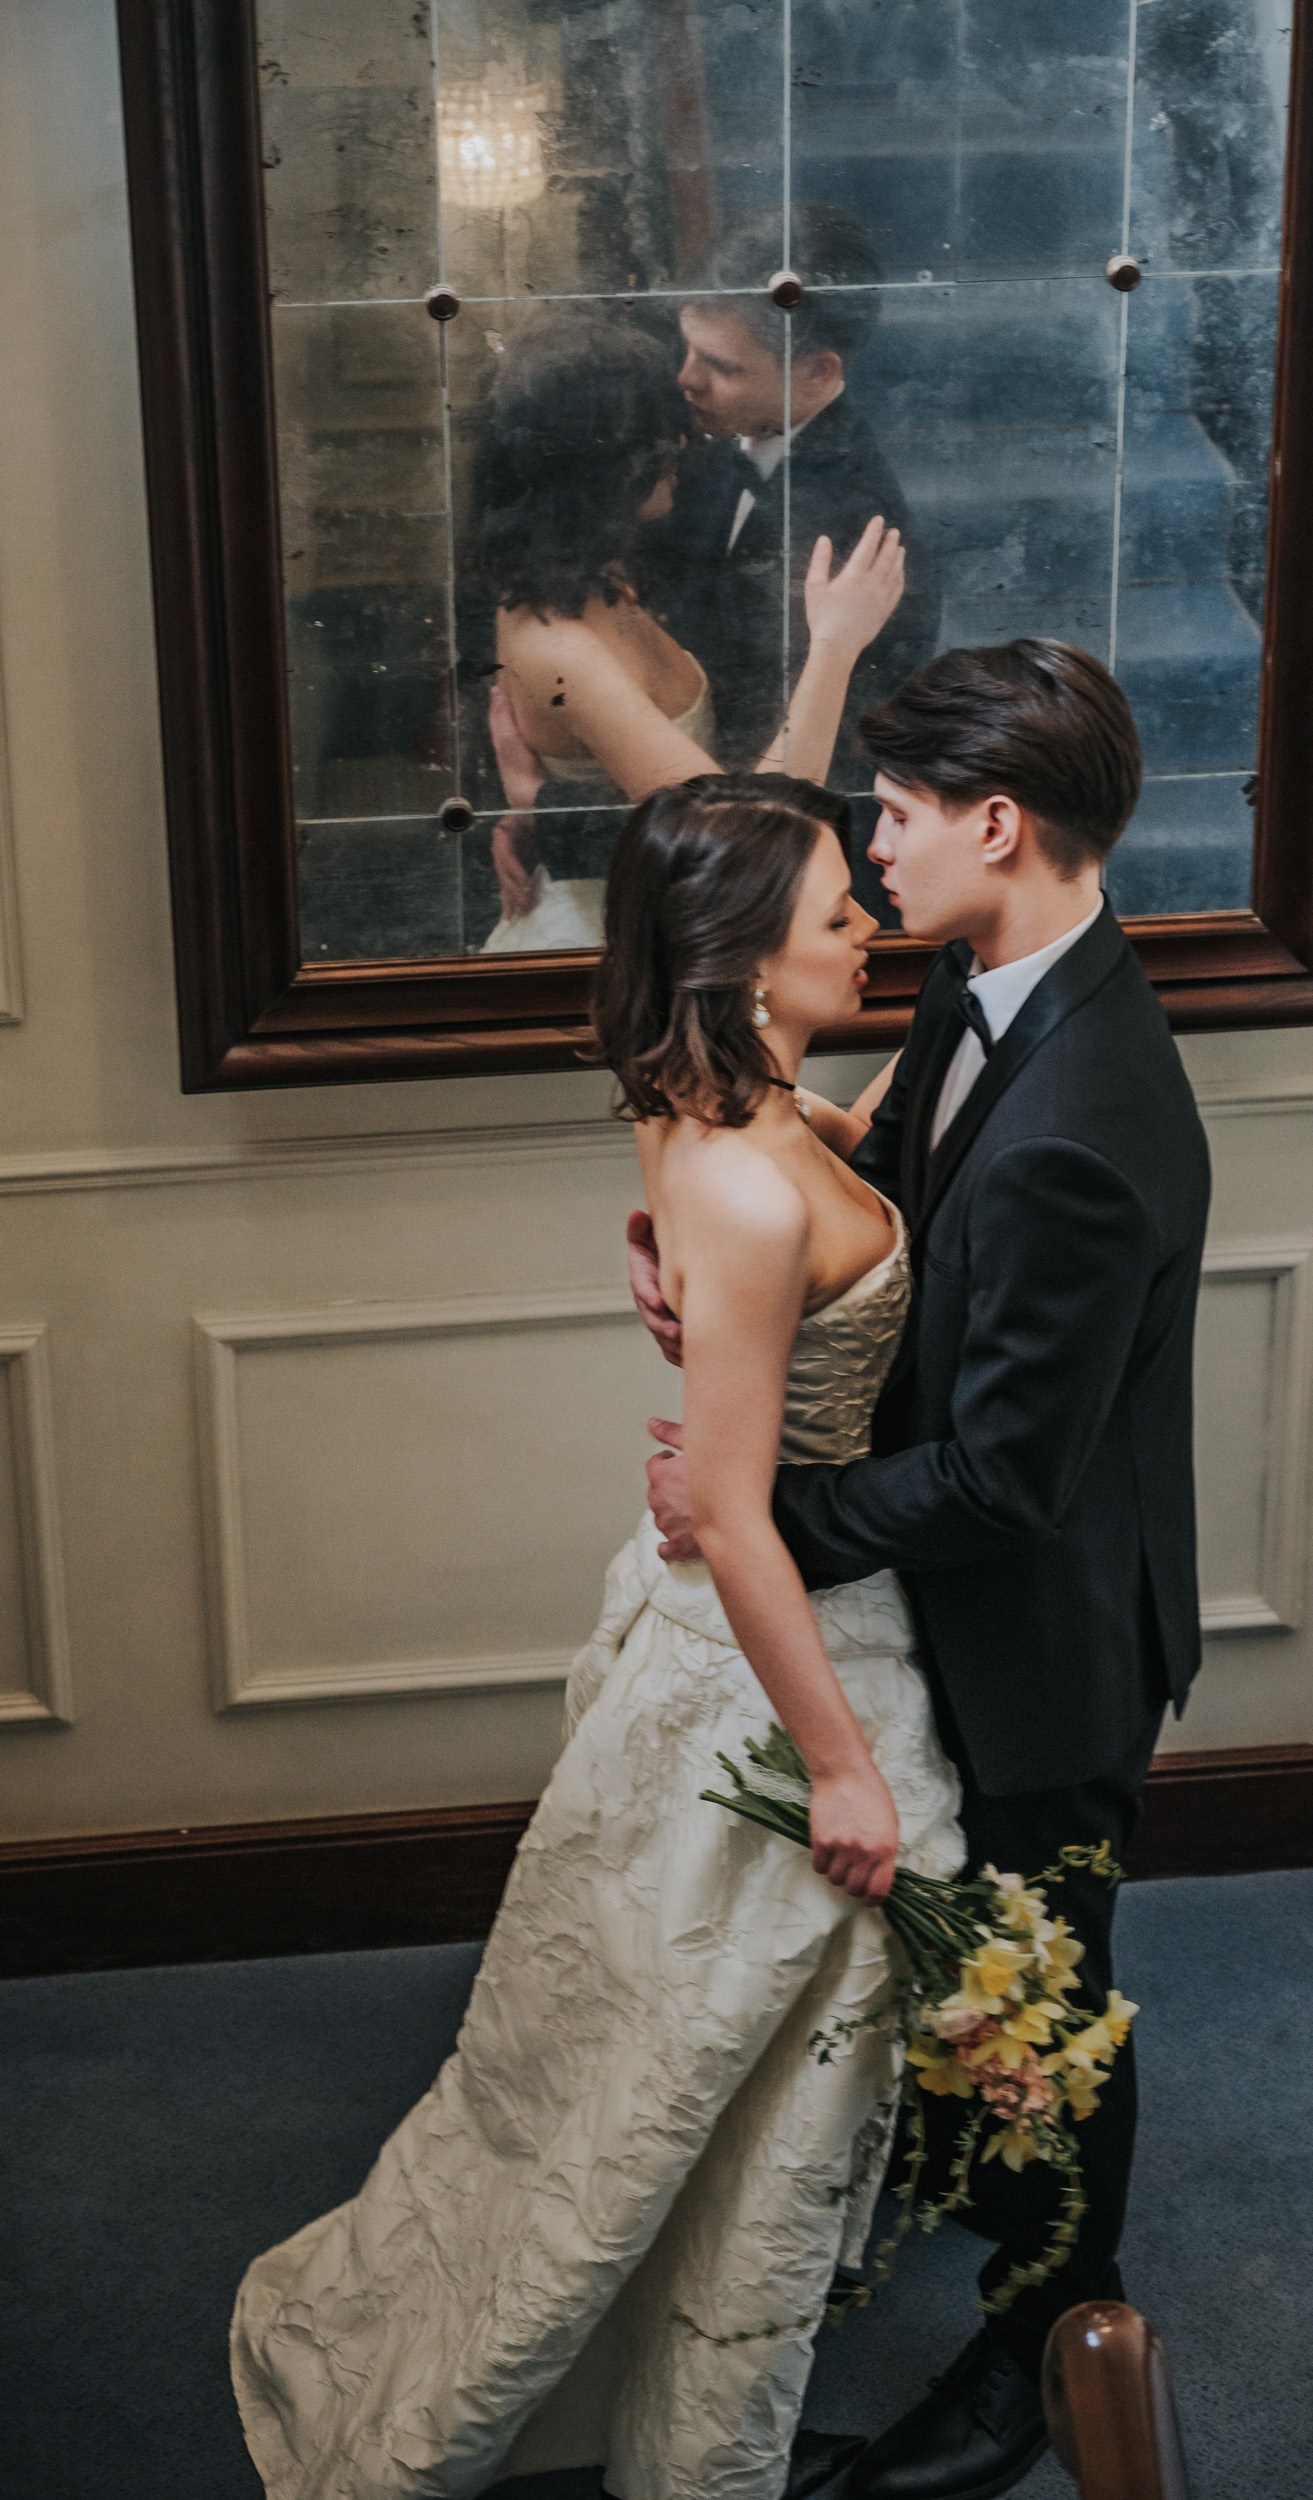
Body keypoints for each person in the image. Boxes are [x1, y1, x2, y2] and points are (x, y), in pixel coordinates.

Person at [230, 776, 963, 2500]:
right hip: (774, 1639)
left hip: (740, 1603)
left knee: (661, 2051)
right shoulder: (743, 1185)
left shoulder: (712, 1097)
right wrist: (841, 1771)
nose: (868, 926)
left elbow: (733, 901)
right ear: (748, 958)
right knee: (702, 2058)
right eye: (836, 913)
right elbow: (732, 1511)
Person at [634, 639, 1212, 2500]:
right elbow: (891, 1189)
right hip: (944, 1586)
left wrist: (750, 1511)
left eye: (891, 816)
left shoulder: (1083, 1129)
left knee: (1047, 2007)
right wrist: (715, 1242)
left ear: (997, 823)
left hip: (1042, 1637)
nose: (871, 849)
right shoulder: (987, 977)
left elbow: (1003, 1481)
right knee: (964, 1981)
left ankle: (1053, 2341)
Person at [474, 308, 905, 951]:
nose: (682, 440)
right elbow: (738, 844)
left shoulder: (590, 573)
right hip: (618, 942)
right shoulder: (559, 639)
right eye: (656, 434)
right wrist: (835, 647)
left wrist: (547, 809)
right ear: (605, 463)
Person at [652, 202, 940, 785]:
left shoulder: (855, 534)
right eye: (688, 348)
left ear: (818, 371)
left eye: (722, 367)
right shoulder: (707, 430)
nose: (686, 379)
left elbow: (790, 772)